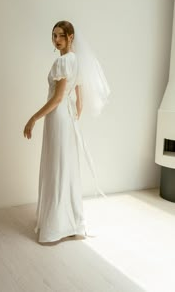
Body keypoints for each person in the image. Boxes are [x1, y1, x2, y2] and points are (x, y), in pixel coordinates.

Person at [23, 20, 110, 243]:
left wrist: (33, 118)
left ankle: (55, 227)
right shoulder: (77, 61)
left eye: (61, 35)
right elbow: (78, 101)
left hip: (58, 117)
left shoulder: (63, 61)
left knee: (56, 167)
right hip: (68, 119)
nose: (56, 39)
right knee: (66, 167)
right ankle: (71, 224)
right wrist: (73, 117)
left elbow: (59, 97)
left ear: (71, 37)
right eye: (54, 35)